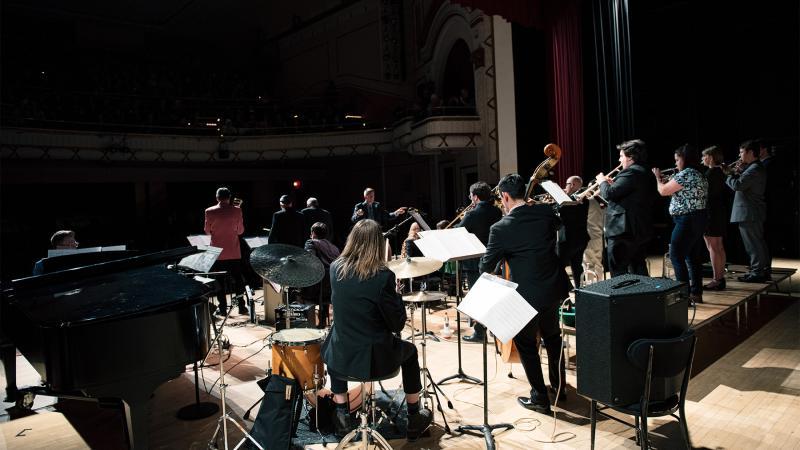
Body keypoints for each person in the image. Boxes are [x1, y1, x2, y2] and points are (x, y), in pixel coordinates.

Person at [321, 219, 433, 440]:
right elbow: (397, 324)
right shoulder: (383, 276)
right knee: (410, 353)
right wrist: (397, 296)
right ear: (377, 244)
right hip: (375, 359)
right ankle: (414, 418)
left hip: (343, 356)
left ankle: (343, 415)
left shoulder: (335, 269)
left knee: (335, 342)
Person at [479, 174, 572, 414]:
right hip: (553, 288)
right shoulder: (546, 214)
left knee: (527, 344)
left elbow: (485, 267)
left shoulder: (500, 228)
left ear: (506, 197)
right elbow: (560, 229)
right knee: (553, 337)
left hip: (526, 296)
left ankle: (540, 398)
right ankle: (560, 387)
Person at [654, 144, 708, 304]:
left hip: (687, 219)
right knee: (693, 258)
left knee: (676, 256)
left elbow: (663, 191)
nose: (676, 163)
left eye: (677, 160)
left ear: (685, 159)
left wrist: (658, 178)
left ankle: (683, 296)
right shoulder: (699, 173)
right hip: (698, 218)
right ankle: (696, 293)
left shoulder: (687, 173)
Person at [596, 139, 656, 277]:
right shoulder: (645, 171)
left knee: (618, 270)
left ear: (630, 157)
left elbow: (609, 193)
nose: (619, 159)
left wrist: (602, 182)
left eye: (622, 156)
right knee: (638, 267)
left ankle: (621, 298)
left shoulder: (631, 172)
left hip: (623, 230)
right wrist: (613, 184)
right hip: (639, 228)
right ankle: (643, 297)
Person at [456, 181, 502, 342]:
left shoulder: (472, 214)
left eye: (471, 196)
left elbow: (459, 232)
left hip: (475, 262)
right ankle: (495, 330)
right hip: (494, 260)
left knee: (479, 299)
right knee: (493, 296)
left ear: (475, 197)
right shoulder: (497, 211)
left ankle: (480, 332)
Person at [726, 140, 769, 282]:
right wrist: (739, 172)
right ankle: (762, 271)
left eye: (741, 151)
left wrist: (729, 174)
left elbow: (738, 185)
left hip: (749, 213)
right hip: (751, 212)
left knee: (753, 245)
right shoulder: (754, 168)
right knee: (757, 243)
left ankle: (758, 273)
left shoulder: (754, 169)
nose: (739, 155)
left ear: (750, 152)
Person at [205, 187, 248, 316]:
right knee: (238, 280)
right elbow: (240, 231)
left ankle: (222, 309)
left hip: (217, 253)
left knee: (220, 281)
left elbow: (207, 231)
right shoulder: (237, 210)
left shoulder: (209, 211)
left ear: (217, 198)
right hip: (234, 252)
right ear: (229, 197)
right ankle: (241, 307)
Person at [301, 222, 340, 328]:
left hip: (317, 288)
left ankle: (308, 324)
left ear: (313, 233)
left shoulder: (311, 242)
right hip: (332, 287)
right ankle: (323, 320)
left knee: (297, 290)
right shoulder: (334, 248)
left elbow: (309, 261)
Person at [701, 145, 728, 290]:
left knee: (712, 247)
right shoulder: (722, 171)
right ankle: (720, 278)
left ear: (710, 157)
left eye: (704, 156)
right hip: (719, 212)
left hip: (711, 212)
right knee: (719, 246)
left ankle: (716, 280)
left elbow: (705, 195)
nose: (702, 159)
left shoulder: (710, 173)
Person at [557, 176, 590, 289]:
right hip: (580, 238)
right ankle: (580, 289)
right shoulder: (582, 199)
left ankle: (568, 289)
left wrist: (558, 197)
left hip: (569, 239)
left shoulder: (577, 199)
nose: (565, 186)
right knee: (577, 266)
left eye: (567, 183)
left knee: (558, 266)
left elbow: (561, 211)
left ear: (573, 185)